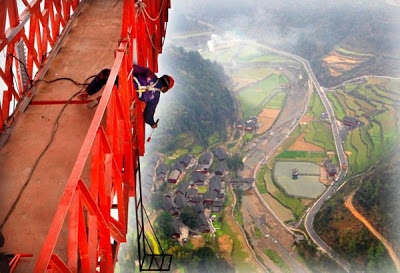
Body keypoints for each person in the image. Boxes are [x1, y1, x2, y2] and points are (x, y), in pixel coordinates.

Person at [78, 65, 174, 128]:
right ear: (165, 88)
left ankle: (87, 93)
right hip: (125, 100)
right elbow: (147, 115)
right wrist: (152, 123)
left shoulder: (149, 73)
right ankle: (106, 98)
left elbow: (131, 68)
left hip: (122, 84)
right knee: (126, 104)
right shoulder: (155, 98)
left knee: (105, 73)